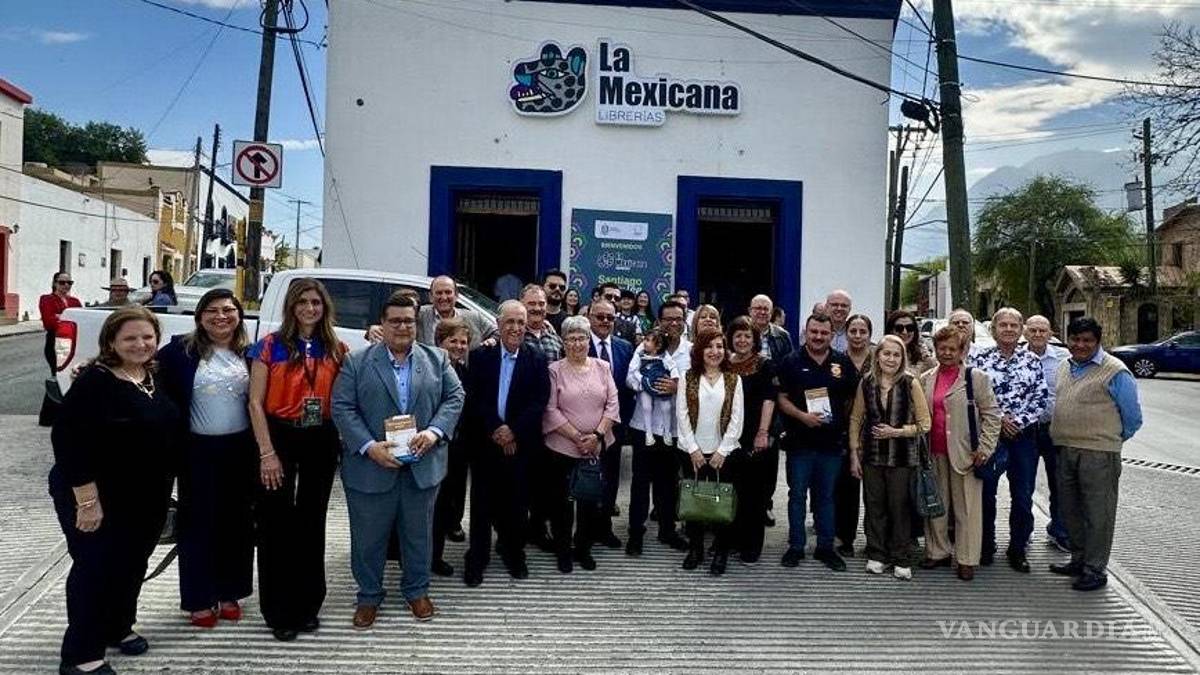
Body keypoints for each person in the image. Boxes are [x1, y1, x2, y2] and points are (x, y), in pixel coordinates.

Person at [49, 307, 178, 675]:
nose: (140, 344)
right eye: (130, 338)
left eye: (147, 337)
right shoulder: (96, 381)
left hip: (145, 497)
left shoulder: (153, 375)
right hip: (95, 495)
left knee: (131, 565)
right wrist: (87, 502)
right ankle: (81, 655)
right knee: (95, 568)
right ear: (111, 342)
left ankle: (116, 626)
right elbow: (68, 441)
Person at [332, 292, 465, 628]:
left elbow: (455, 396)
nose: (402, 327)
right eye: (395, 321)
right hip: (371, 467)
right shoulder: (356, 362)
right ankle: (368, 596)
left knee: (419, 535)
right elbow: (342, 407)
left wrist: (434, 432)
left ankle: (417, 590)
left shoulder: (437, 359)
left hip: (422, 465)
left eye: (408, 320)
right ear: (383, 323)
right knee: (368, 538)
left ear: (416, 324)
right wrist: (368, 446)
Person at [247, 278, 348, 641]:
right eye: (302, 302)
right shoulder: (269, 346)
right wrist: (267, 453)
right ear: (291, 306)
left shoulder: (336, 348)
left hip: (320, 436)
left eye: (316, 302)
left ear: (325, 307)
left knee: (311, 521)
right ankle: (279, 611)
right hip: (279, 435)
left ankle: (307, 605)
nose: (309, 308)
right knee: (275, 523)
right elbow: (254, 403)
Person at [157, 289, 255, 628]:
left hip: (241, 450)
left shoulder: (250, 352)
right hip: (196, 451)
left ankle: (230, 593)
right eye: (212, 310)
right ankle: (199, 598)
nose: (221, 316)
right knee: (198, 525)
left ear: (239, 315)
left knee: (237, 524)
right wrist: (90, 366)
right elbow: (136, 364)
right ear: (199, 317)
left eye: (228, 310)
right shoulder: (178, 353)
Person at [1049, 317, 1142, 592]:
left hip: (1099, 454)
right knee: (1071, 510)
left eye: (1087, 340)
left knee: (1098, 514)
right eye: (1075, 339)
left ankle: (1095, 570)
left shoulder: (1115, 371)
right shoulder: (1065, 366)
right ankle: (1078, 560)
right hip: (1066, 449)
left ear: (1097, 342)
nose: (1080, 345)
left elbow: (1133, 418)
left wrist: (1108, 440)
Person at [462, 301, 551, 587]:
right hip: (485, 442)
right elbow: (473, 397)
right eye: (510, 322)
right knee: (481, 504)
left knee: (517, 503)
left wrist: (513, 431)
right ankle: (477, 558)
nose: (515, 328)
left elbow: (539, 401)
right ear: (498, 325)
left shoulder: (537, 358)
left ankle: (514, 554)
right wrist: (496, 428)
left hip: (520, 444)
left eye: (520, 323)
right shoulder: (480, 356)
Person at [776, 314, 858, 572]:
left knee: (826, 497)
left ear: (831, 334)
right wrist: (803, 416)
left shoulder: (842, 362)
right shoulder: (791, 361)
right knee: (797, 496)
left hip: (831, 444)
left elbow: (851, 399)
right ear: (806, 332)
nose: (818, 337)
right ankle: (796, 546)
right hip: (799, 443)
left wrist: (840, 424)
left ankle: (825, 547)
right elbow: (781, 398)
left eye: (824, 333)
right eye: (814, 332)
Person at [919, 326, 1001, 582]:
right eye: (942, 348)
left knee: (967, 509)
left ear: (962, 350)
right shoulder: (926, 378)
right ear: (935, 349)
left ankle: (966, 558)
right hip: (934, 451)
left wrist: (985, 448)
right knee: (937, 505)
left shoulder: (976, 378)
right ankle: (938, 551)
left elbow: (992, 415)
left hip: (966, 453)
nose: (946, 353)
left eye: (952, 349)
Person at [848, 335, 931, 580]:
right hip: (872, 456)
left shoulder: (910, 383)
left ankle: (901, 557)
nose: (891, 359)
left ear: (902, 358)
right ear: (878, 356)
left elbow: (925, 424)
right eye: (886, 354)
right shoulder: (866, 382)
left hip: (903, 457)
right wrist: (854, 453)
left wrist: (897, 432)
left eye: (896, 354)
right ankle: (877, 554)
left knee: (900, 508)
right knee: (874, 506)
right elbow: (856, 418)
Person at [542, 315, 621, 573]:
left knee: (590, 502)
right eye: (571, 338)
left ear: (589, 340)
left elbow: (613, 404)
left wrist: (597, 436)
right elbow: (550, 409)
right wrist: (578, 437)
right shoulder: (554, 370)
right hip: (562, 447)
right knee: (561, 503)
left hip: (596, 447)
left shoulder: (603, 367)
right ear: (563, 342)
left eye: (582, 338)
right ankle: (563, 550)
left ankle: (584, 548)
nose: (577, 343)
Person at [973, 308, 1049, 572]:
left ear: (1021, 330)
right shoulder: (979, 359)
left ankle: (1017, 548)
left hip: (1023, 436)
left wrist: (1017, 421)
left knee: (1022, 495)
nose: (1008, 329)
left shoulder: (1032, 361)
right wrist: (999, 420)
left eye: (1013, 325)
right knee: (986, 493)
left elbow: (1040, 398)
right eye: (1003, 325)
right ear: (993, 329)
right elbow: (974, 397)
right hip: (990, 435)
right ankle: (985, 545)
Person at [675, 328, 744, 576]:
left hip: (723, 453)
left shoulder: (733, 379)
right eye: (709, 346)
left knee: (721, 503)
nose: (715, 351)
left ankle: (721, 551)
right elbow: (682, 415)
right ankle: (695, 549)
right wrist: (693, 449)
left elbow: (737, 418)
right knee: (694, 501)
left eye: (719, 346)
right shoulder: (688, 377)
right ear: (699, 350)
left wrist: (722, 451)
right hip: (692, 451)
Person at [624, 301, 692, 556]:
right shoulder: (645, 346)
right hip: (644, 426)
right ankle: (636, 533)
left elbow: (696, 384)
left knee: (669, 482)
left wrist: (677, 387)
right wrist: (647, 384)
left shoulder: (691, 351)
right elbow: (630, 378)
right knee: (641, 482)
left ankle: (667, 530)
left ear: (684, 321)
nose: (673, 323)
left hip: (673, 428)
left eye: (678, 319)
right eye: (668, 319)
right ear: (659, 322)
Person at [726, 316, 778, 563]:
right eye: (738, 335)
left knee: (755, 494)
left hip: (756, 435)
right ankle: (733, 540)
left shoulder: (765, 365)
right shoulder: (726, 363)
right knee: (734, 490)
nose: (742, 340)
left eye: (747, 336)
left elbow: (769, 399)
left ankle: (752, 546)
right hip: (730, 436)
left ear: (755, 339)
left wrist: (763, 432)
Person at [518, 284, 564, 552]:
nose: (537, 308)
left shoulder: (554, 336)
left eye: (541, 304)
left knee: (544, 480)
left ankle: (538, 528)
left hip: (549, 421)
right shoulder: (512, 333)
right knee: (517, 480)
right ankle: (512, 532)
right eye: (532, 304)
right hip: (520, 419)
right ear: (522, 304)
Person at [586, 299, 634, 547]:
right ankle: (585, 530)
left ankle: (604, 527)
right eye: (600, 316)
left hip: (615, 426)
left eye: (610, 318)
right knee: (586, 478)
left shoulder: (625, 347)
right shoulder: (579, 345)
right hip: (586, 427)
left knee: (611, 477)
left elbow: (629, 388)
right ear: (589, 317)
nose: (605, 321)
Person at [1024, 314, 1071, 552]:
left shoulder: (1065, 359)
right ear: (1025, 333)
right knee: (1024, 484)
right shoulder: (1017, 357)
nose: (1037, 334)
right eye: (1033, 330)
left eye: (1042, 330)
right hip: (1027, 431)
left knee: (1059, 483)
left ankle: (1059, 531)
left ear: (1050, 333)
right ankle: (1024, 531)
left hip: (1055, 429)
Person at [431, 318, 472, 576]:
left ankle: (437, 551)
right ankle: (432, 558)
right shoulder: (431, 370)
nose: (458, 346)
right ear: (440, 341)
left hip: (458, 448)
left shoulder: (464, 371)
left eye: (463, 342)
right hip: (434, 446)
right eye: (452, 341)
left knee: (448, 501)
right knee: (433, 505)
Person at [833, 312, 874, 557]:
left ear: (870, 335)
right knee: (846, 489)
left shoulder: (879, 359)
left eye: (863, 331)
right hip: (843, 431)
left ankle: (874, 539)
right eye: (853, 331)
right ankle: (845, 537)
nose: (858, 336)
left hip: (876, 432)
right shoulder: (837, 360)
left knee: (874, 491)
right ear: (846, 334)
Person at [417, 276, 496, 350]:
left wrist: (492, 340)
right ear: (431, 297)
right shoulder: (419, 315)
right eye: (439, 293)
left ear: (456, 295)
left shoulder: (474, 317)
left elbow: (498, 331)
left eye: (448, 292)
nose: (444, 297)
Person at [40, 271, 82, 374]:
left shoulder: (75, 301)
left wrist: (60, 316)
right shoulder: (47, 299)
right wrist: (70, 320)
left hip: (74, 341)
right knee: (58, 372)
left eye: (69, 283)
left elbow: (81, 320)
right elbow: (49, 322)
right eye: (62, 282)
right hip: (55, 339)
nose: (66, 285)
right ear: (55, 283)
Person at [885, 310, 936, 377]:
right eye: (899, 328)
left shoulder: (923, 356)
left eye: (909, 328)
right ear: (891, 330)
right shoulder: (882, 354)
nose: (904, 332)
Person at [749, 294, 793, 362]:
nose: (762, 312)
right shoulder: (740, 333)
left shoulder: (783, 336)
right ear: (750, 311)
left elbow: (790, 363)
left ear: (771, 313)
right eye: (758, 308)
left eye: (766, 309)